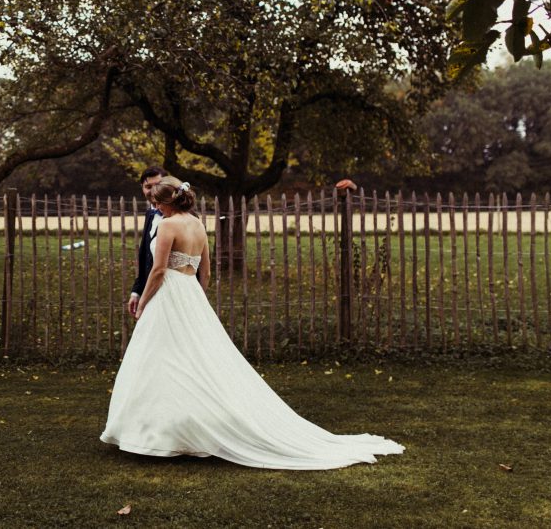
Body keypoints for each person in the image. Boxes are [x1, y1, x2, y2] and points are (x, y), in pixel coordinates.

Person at [101, 176, 405, 469]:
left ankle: (164, 433)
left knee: (164, 357)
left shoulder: (168, 225)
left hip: (167, 293)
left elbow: (157, 270)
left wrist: (143, 302)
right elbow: (205, 271)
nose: (157, 207)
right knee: (193, 359)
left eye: (158, 202)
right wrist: (193, 299)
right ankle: (174, 428)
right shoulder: (197, 224)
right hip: (190, 293)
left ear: (166, 203)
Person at [127, 166, 167, 318]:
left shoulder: (185, 218)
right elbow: (145, 258)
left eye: (157, 185)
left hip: (174, 292)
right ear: (142, 188)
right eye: (148, 187)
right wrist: (137, 291)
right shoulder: (150, 213)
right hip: (150, 293)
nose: (152, 191)